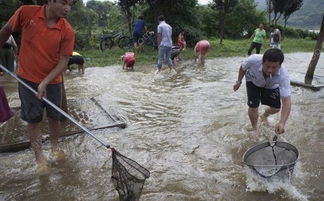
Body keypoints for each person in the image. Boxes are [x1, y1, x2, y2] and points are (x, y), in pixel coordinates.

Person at [0, 0, 75, 175]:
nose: (68, 8)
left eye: (70, 4)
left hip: (53, 81)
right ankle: (39, 156)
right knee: (33, 118)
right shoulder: (26, 13)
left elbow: (63, 63)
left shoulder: (67, 30)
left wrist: (45, 82)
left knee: (54, 117)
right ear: (50, 1)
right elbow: (6, 31)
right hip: (27, 78)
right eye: (64, 3)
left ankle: (55, 146)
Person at [233, 48, 291, 137]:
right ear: (262, 62)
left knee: (276, 108)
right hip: (253, 81)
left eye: (274, 67)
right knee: (253, 106)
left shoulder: (284, 76)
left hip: (271, 85)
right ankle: (255, 128)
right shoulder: (253, 60)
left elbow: (286, 101)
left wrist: (282, 122)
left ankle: (264, 115)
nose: (270, 70)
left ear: (280, 66)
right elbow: (243, 67)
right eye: (267, 66)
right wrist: (238, 81)